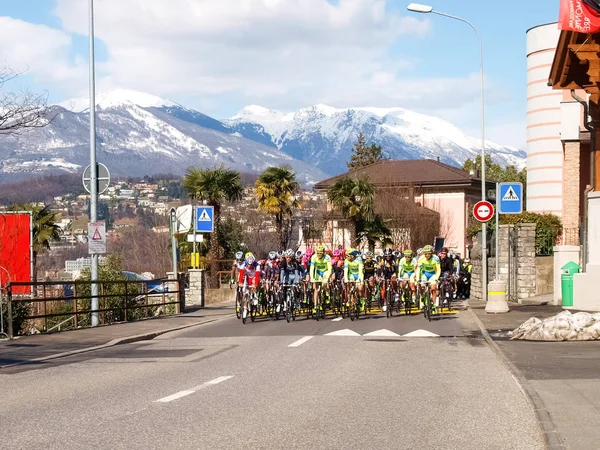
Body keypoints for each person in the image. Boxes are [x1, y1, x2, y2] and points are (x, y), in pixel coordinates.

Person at [416, 245, 441, 311]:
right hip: (424, 274)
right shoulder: (421, 258)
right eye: (425, 254)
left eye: (429, 253)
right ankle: (422, 297)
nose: (427, 255)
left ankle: (434, 304)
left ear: (431, 253)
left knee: (433, 288)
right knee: (422, 286)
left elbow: (438, 269)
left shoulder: (436, 258)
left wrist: (437, 278)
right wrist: (418, 279)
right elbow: (418, 270)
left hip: (433, 274)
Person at [309, 244, 332, 314]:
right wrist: (312, 278)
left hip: (325, 271)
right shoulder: (313, 257)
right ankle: (315, 306)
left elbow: (330, 268)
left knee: (324, 284)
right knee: (316, 289)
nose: (319, 255)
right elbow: (312, 268)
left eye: (320, 253)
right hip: (318, 272)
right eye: (318, 253)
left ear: (323, 253)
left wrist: (327, 277)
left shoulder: (327, 257)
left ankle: (327, 293)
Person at [241, 253, 261, 320]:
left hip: (254, 277)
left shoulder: (257, 265)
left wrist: (255, 284)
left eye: (251, 264)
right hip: (247, 277)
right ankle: (245, 308)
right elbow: (241, 275)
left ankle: (255, 296)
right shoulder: (243, 264)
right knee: (245, 292)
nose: (249, 266)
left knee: (254, 284)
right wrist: (240, 282)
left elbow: (257, 275)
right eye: (248, 264)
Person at [377, 248, 397, 312]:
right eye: (386, 256)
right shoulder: (383, 259)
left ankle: (395, 293)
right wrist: (379, 275)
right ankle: (385, 302)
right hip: (385, 273)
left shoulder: (394, 259)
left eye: (389, 256)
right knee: (384, 287)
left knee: (393, 280)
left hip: (392, 272)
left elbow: (397, 268)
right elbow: (380, 269)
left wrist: (396, 274)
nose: (388, 257)